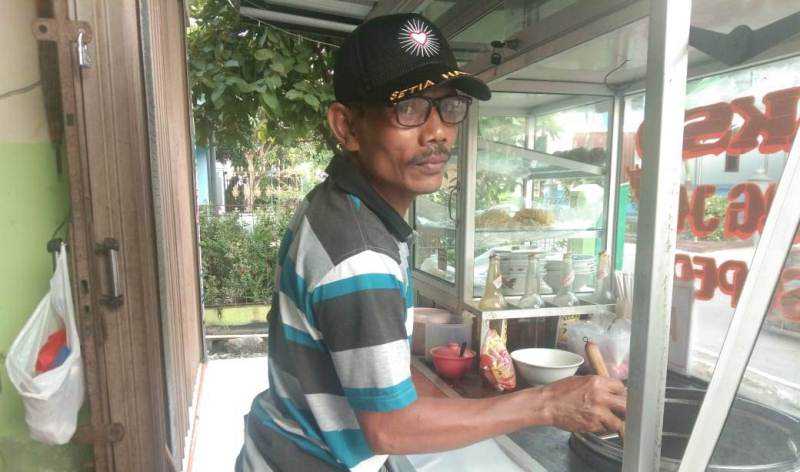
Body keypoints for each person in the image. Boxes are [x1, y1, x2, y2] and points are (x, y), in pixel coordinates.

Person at [236, 13, 626, 472]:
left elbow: (382, 387)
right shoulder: (360, 253)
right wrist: (547, 403)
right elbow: (391, 428)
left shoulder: (340, 204)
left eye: (450, 106)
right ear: (347, 127)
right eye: (409, 108)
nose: (438, 131)